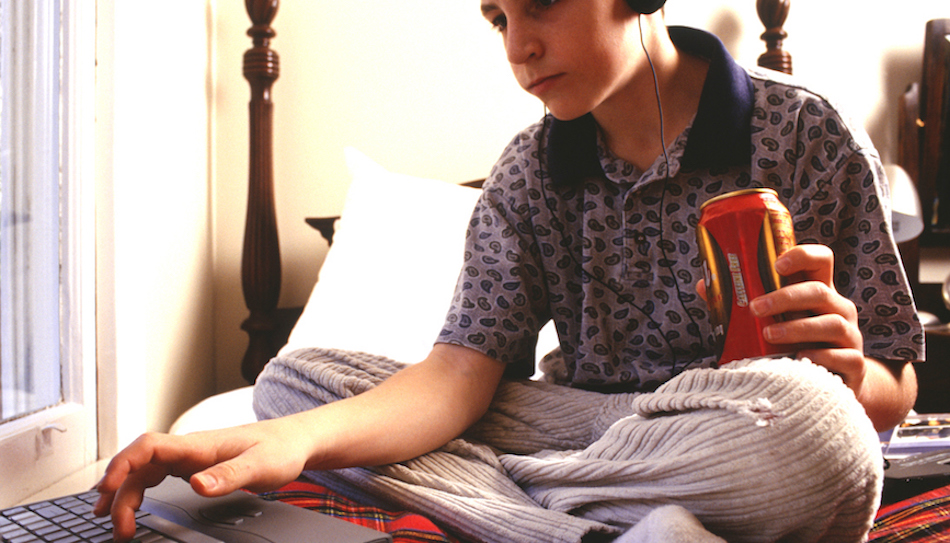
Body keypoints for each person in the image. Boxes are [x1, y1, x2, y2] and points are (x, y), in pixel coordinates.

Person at [95, 0, 922, 541]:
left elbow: (894, 383)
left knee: (827, 438)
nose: (518, 47)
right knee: (292, 385)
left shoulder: (807, 132)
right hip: (580, 424)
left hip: (747, 423)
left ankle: (527, 507)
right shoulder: (525, 172)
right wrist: (278, 442)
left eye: (540, 6)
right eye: (496, 18)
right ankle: (589, 527)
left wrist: (845, 376)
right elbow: (458, 375)